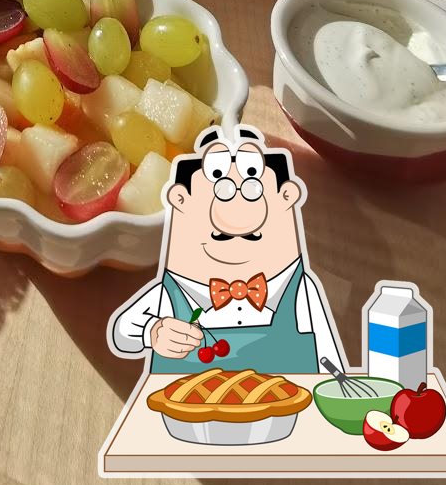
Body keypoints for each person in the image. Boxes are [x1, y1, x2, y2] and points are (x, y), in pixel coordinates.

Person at [108, 125, 345, 374]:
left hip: (290, 410)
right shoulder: (173, 292)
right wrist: (152, 332)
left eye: (253, 190)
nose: (234, 213)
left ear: (286, 197)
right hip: (186, 410)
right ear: (180, 201)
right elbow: (122, 333)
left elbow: (331, 366)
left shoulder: (300, 291)